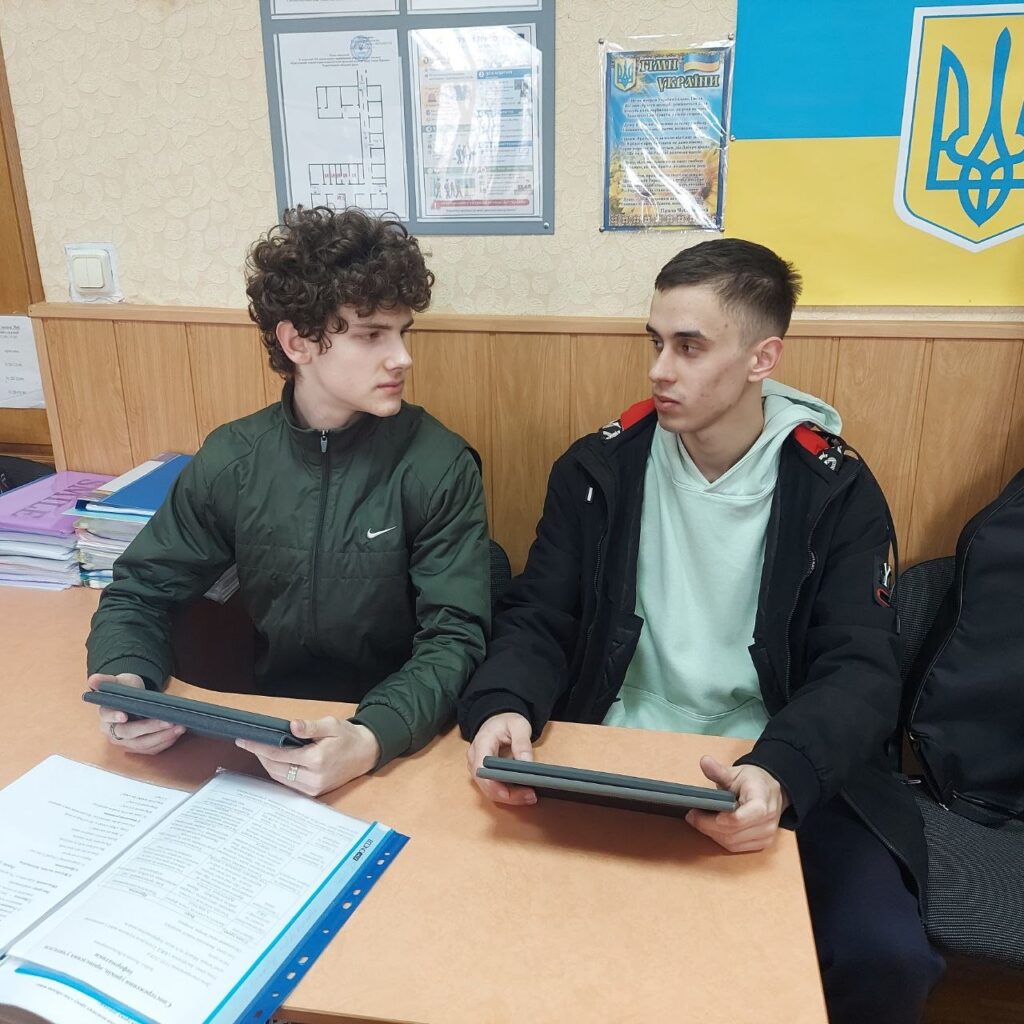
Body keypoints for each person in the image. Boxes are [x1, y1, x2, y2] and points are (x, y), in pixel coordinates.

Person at [459, 239, 944, 1024]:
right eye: (655, 342)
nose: (659, 369)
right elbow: (538, 615)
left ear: (763, 358)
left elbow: (861, 667)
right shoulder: (598, 470)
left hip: (779, 755)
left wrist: (779, 772)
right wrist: (504, 704)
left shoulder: (835, 488)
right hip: (613, 748)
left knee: (883, 953)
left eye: (689, 346)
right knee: (512, 914)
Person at [87, 206, 490, 797]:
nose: (402, 357)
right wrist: (129, 679)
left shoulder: (437, 464)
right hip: (271, 730)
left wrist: (372, 735)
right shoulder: (234, 459)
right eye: (371, 334)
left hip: (405, 737)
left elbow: (456, 637)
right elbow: (140, 590)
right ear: (297, 341)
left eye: (403, 332)